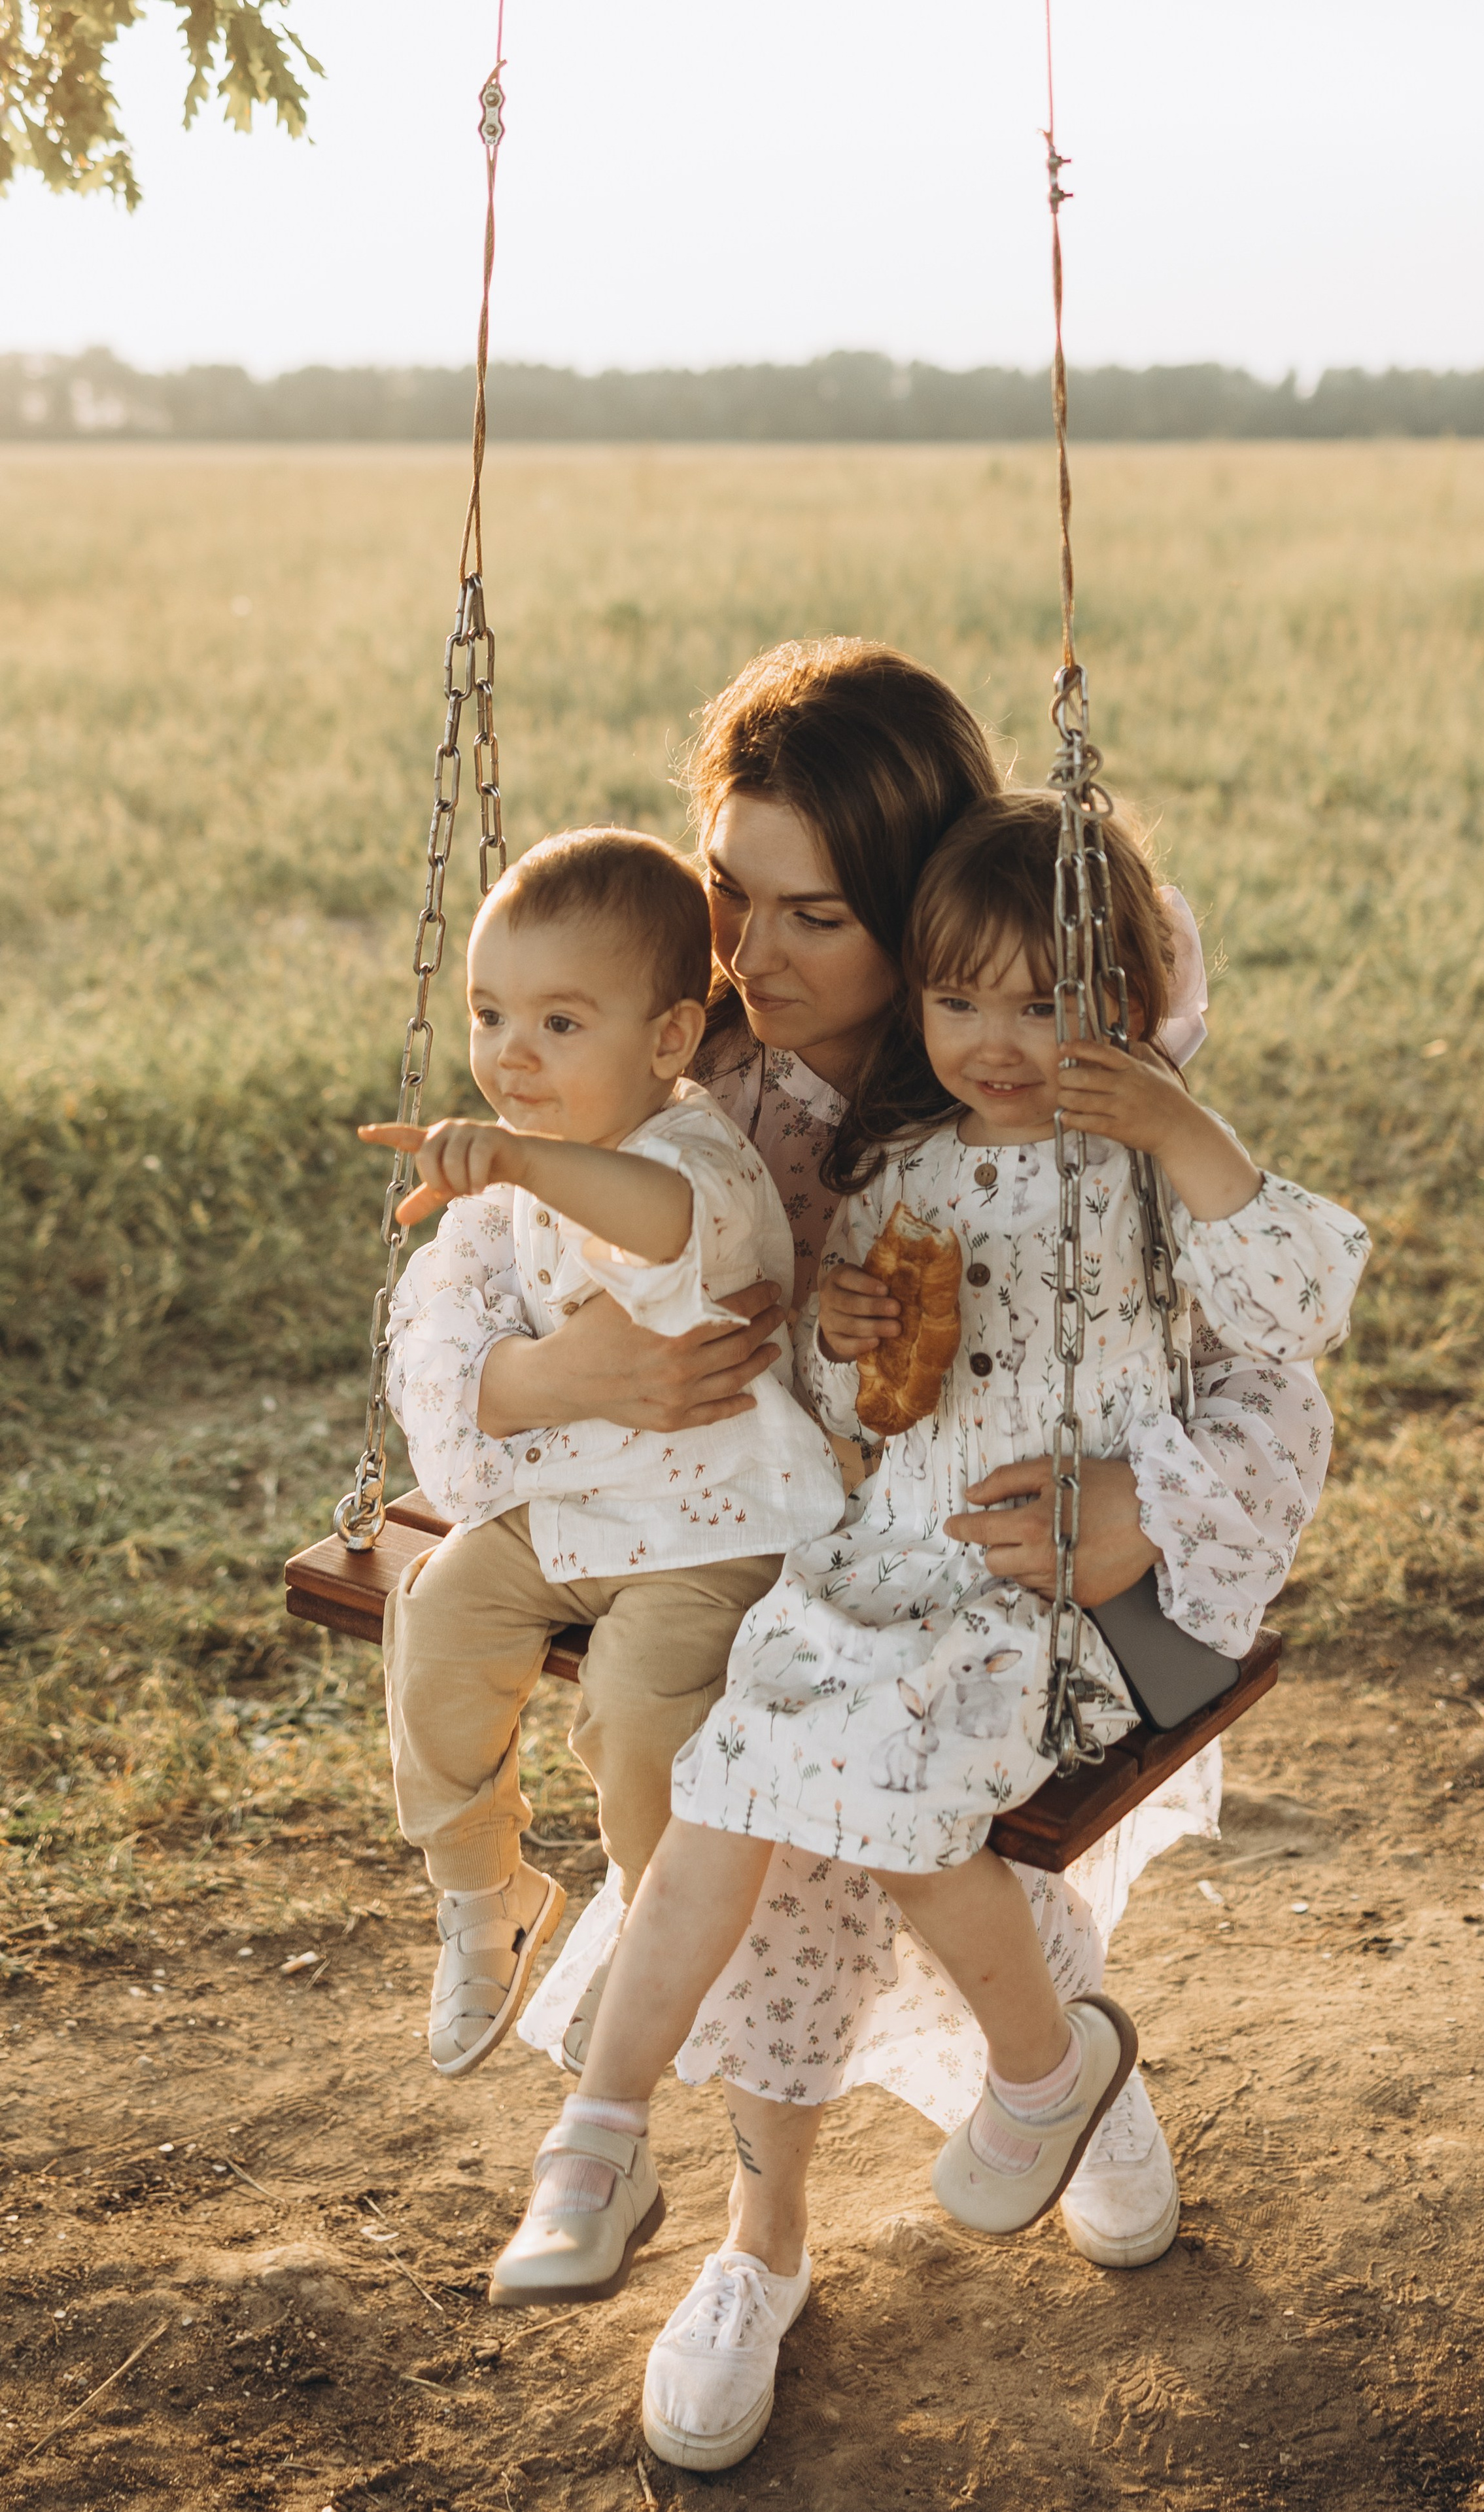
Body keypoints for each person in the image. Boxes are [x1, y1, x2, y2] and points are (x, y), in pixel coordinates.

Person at [394, 638, 1339, 2469]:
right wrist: (535, 1371)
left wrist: (1146, 1503)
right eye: (729, 894)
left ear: (930, 926)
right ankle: (763, 2236)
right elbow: (459, 1279)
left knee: (860, 1765)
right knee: (739, 1765)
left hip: (993, 1582)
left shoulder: (1053, 1101)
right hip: (762, 1576)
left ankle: (1048, 2058)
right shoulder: (683, 1069)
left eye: (813, 913)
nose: (749, 953)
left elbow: (1266, 1377)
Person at [364, 827, 844, 2077]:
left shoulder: (687, 1154)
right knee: (441, 1621)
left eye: (562, 1024)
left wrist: (527, 1160)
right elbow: (449, 1317)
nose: (512, 1054)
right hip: (567, 1503)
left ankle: (647, 1926)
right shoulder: (521, 1167)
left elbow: (662, 1229)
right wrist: (509, 1180)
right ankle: (487, 1893)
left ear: (670, 1041)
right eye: (490, 1014)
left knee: (637, 1719)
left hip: (709, 1527)